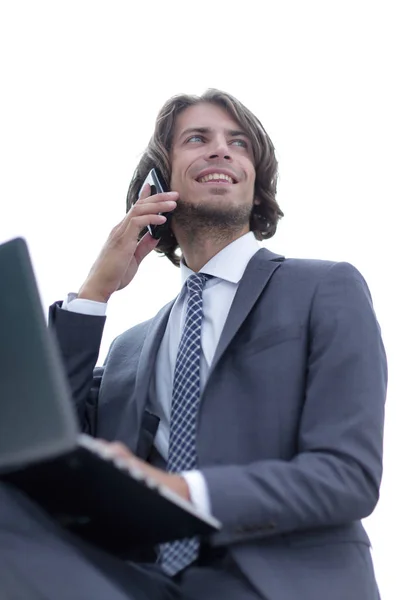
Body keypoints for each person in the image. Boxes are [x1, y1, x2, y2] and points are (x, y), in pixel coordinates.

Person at [0, 89, 387, 600]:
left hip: (279, 584)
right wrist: (96, 291)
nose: (222, 150)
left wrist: (181, 492)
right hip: (143, 582)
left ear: (257, 179)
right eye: (197, 139)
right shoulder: (128, 352)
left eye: (239, 143)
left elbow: (348, 475)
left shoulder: (324, 288)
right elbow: (41, 448)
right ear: (156, 183)